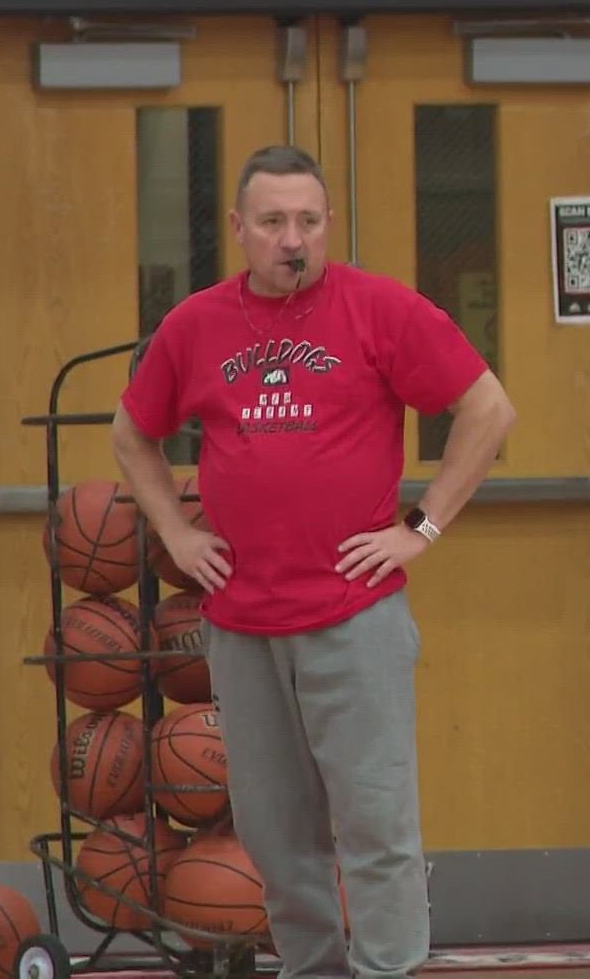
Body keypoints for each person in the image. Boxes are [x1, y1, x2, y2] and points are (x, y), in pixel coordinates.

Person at [111, 145, 517, 979]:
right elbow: (132, 433)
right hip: (242, 624)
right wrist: (180, 538)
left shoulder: (382, 310)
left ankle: (386, 971)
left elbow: (488, 408)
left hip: (353, 616)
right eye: (273, 223)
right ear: (238, 230)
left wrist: (422, 526)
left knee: (375, 828)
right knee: (274, 834)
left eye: (308, 221)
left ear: (328, 225)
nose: (292, 239)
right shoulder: (196, 325)